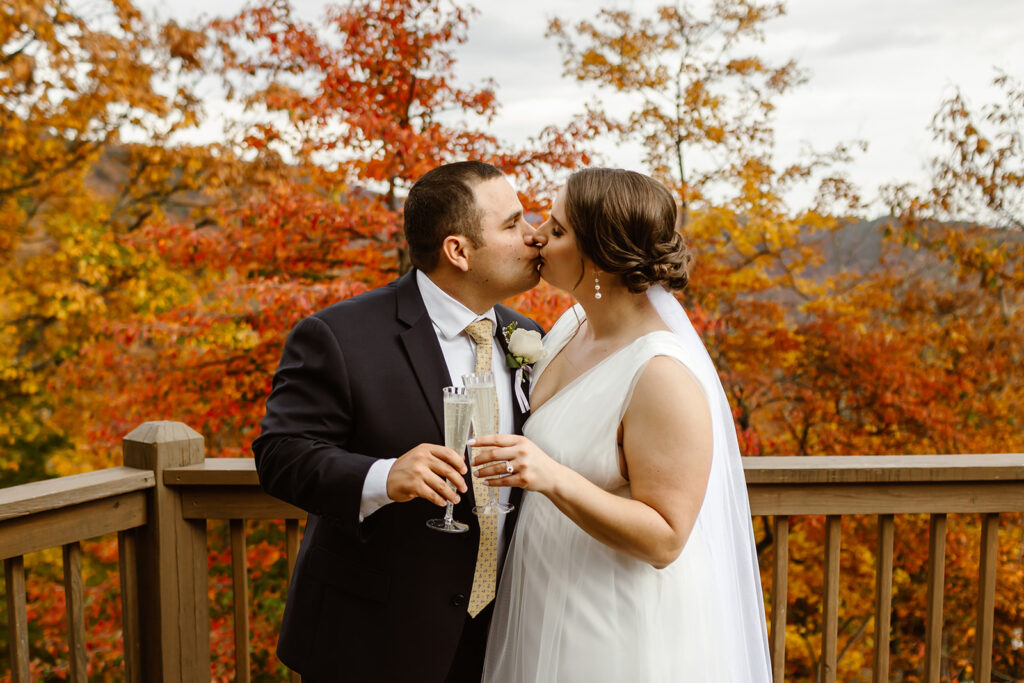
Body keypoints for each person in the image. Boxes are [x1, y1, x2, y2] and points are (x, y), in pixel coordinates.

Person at [473, 168, 772, 682]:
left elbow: (666, 539)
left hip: (610, 613)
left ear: (603, 258)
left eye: (559, 230)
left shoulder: (660, 373)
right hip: (543, 594)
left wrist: (550, 475)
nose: (538, 235)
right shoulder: (571, 326)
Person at [252, 161, 543, 683]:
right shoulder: (339, 335)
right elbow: (280, 454)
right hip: (374, 637)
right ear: (459, 250)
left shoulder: (528, 337)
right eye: (513, 224)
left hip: (503, 635)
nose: (534, 235)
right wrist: (383, 477)